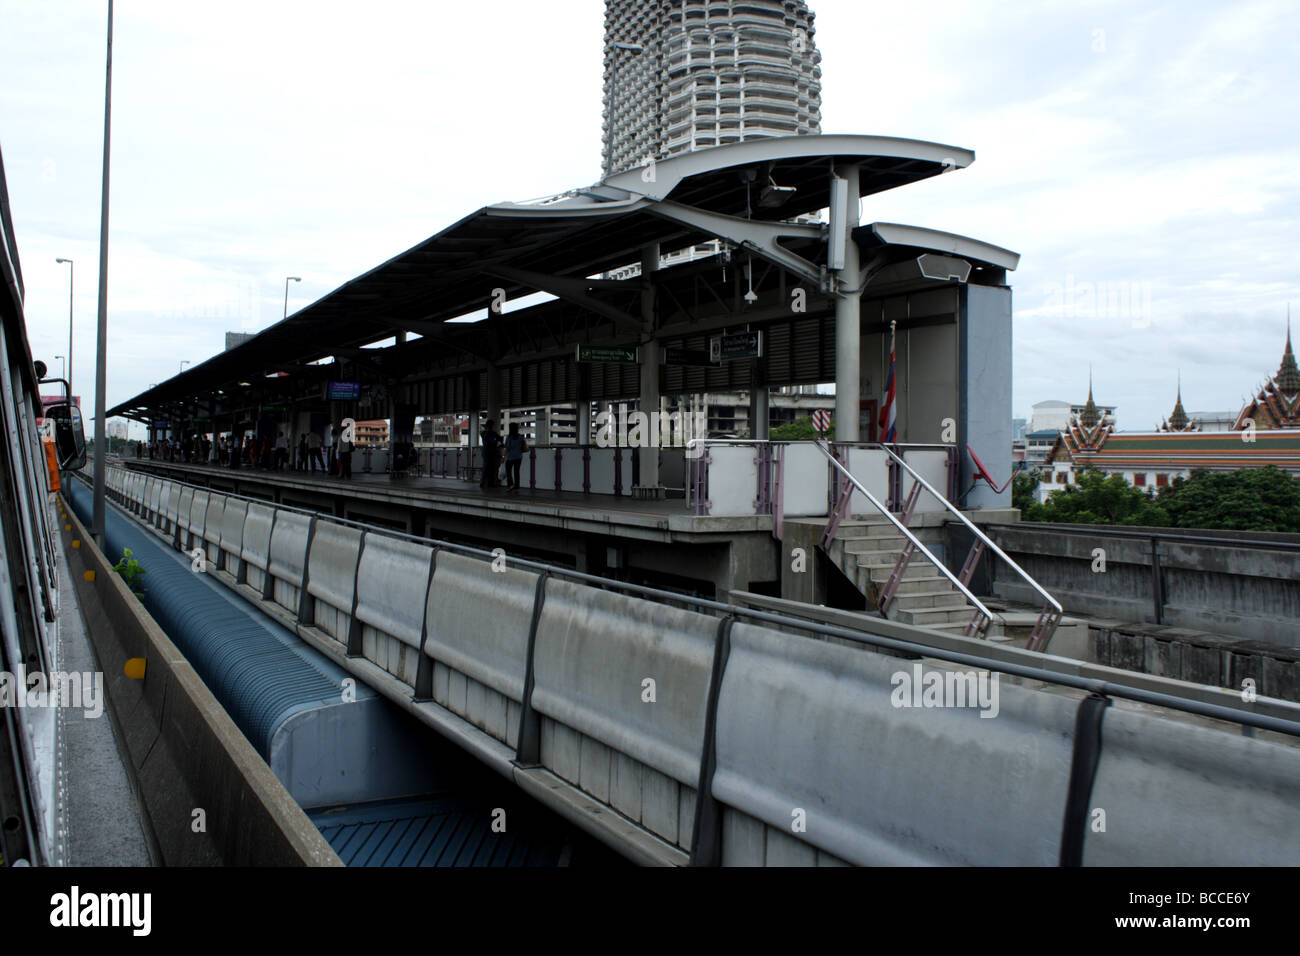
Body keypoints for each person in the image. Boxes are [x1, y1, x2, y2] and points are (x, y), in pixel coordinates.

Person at [503, 422, 526, 492]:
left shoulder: (509, 437)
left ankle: (510, 485)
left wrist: (503, 456)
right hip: (519, 457)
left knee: (508, 471)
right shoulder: (521, 437)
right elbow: (524, 447)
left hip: (510, 458)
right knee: (516, 471)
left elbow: (507, 448)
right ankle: (517, 486)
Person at [479, 420, 501, 489]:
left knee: (486, 468)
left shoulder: (484, 433)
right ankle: (489, 483)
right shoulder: (491, 433)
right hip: (491, 453)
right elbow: (499, 439)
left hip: (486, 453)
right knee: (491, 468)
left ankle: (484, 483)